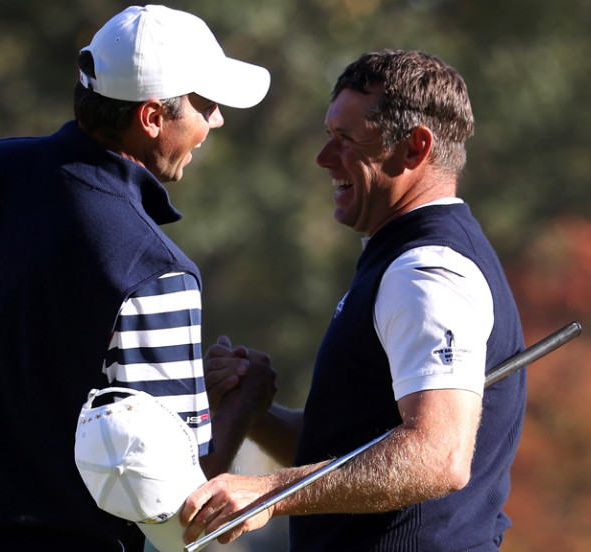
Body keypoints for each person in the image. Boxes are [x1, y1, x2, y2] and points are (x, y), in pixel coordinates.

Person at [0, 5, 275, 551]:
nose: (215, 121)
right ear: (151, 117)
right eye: (206, 105)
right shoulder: (158, 272)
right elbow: (182, 517)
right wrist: (243, 407)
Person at [182, 49, 527, 551]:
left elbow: (438, 457)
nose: (324, 158)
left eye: (346, 140)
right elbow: (349, 455)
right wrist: (259, 412)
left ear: (415, 148)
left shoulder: (427, 273)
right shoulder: (400, 259)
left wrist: (269, 492)